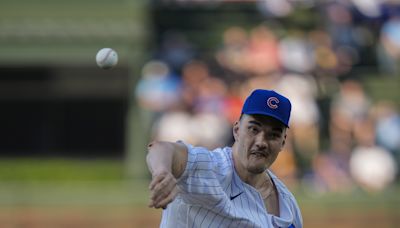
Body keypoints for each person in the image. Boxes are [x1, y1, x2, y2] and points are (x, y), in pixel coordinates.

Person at [146, 89, 303, 228]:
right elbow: (163, 148)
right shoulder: (210, 167)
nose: (261, 142)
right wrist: (162, 171)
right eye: (254, 129)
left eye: (273, 135)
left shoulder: (287, 206)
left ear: (282, 143)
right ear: (236, 130)